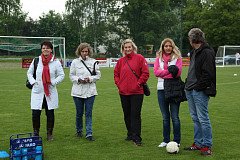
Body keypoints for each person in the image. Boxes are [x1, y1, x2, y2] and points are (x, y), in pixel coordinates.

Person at [184, 28, 216, 156]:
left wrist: (198, 87)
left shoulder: (207, 52)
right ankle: (198, 143)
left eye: (189, 38)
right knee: (195, 118)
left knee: (203, 118)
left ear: (192, 39)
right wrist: (187, 84)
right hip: (190, 89)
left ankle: (207, 145)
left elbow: (208, 74)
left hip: (199, 90)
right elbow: (192, 70)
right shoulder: (194, 52)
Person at [114, 39, 149, 146]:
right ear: (123, 49)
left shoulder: (140, 58)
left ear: (133, 47)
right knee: (127, 114)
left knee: (135, 115)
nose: (128, 49)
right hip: (123, 92)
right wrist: (119, 84)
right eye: (126, 47)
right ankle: (130, 133)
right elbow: (116, 74)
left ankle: (137, 137)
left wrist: (138, 83)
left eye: (129, 47)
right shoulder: (121, 61)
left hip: (137, 92)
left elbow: (145, 73)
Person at [27, 41, 65, 141]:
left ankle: (49, 133)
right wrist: (33, 82)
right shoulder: (36, 60)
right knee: (35, 113)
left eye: (47, 48)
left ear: (51, 49)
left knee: (50, 113)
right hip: (38, 91)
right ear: (41, 49)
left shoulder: (56, 62)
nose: (45, 50)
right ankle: (36, 133)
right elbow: (29, 73)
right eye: (43, 48)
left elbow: (62, 75)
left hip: (50, 91)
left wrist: (53, 82)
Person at [153, 38, 183, 147]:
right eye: (166, 46)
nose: (168, 48)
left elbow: (178, 73)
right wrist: (169, 71)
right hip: (161, 89)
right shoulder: (158, 59)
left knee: (175, 117)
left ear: (173, 47)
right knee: (165, 117)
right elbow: (156, 73)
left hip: (174, 89)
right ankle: (166, 140)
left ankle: (176, 140)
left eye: (170, 46)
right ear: (163, 47)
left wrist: (164, 73)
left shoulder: (178, 58)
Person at [69, 43, 101, 141]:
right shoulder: (74, 62)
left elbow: (98, 76)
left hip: (90, 92)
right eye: (82, 51)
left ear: (89, 52)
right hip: (77, 92)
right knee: (79, 113)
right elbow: (71, 75)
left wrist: (90, 79)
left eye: (86, 51)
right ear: (79, 52)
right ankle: (79, 131)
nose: (84, 53)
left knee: (88, 113)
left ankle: (89, 133)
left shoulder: (94, 62)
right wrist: (79, 79)